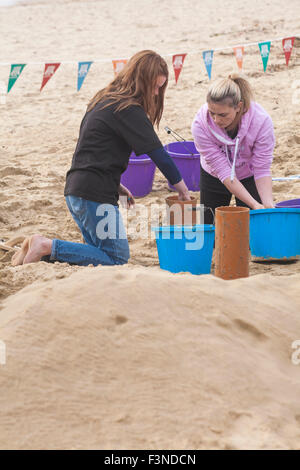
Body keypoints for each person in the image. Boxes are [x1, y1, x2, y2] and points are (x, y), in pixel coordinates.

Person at [12, 50, 190, 267]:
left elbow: (94, 152)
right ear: (140, 80)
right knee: (117, 258)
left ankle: (38, 251)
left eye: (160, 88)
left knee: (95, 255)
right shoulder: (128, 109)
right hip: (93, 196)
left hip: (76, 190)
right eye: (154, 86)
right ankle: (46, 246)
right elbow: (159, 154)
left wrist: (117, 186)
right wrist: (182, 188)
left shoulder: (104, 99)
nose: (155, 93)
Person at [191, 74, 275, 224]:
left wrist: (267, 204)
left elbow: (262, 168)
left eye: (223, 115)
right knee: (210, 228)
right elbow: (223, 171)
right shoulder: (200, 125)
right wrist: (255, 204)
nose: (216, 120)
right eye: (212, 113)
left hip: (248, 174)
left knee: (252, 229)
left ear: (238, 107)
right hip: (214, 176)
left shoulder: (261, 122)